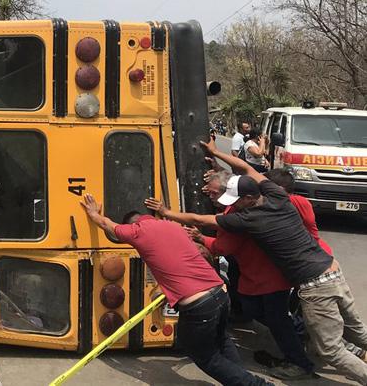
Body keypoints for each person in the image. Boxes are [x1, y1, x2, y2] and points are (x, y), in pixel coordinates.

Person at [146, 139, 367, 384]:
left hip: (315, 284)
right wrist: (217, 152)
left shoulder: (248, 219)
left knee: (331, 350)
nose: (233, 204)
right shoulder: (276, 196)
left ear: (250, 199)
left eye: (236, 200)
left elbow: (201, 219)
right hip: (332, 271)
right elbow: (247, 169)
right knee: (358, 332)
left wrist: (167, 214)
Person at [80, 194, 271, 385]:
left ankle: (255, 384)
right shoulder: (173, 227)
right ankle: (239, 379)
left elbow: (107, 225)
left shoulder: (137, 231)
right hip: (220, 292)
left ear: (132, 224)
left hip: (199, 305)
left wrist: (93, 213)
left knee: (206, 356)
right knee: (221, 339)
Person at [194, 173, 315, 379]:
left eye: (216, 193)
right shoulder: (247, 208)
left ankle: (300, 360)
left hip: (268, 275)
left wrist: (199, 238)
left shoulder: (238, 216)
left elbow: (223, 247)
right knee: (260, 311)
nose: (211, 196)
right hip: (261, 273)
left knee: (275, 319)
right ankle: (299, 332)